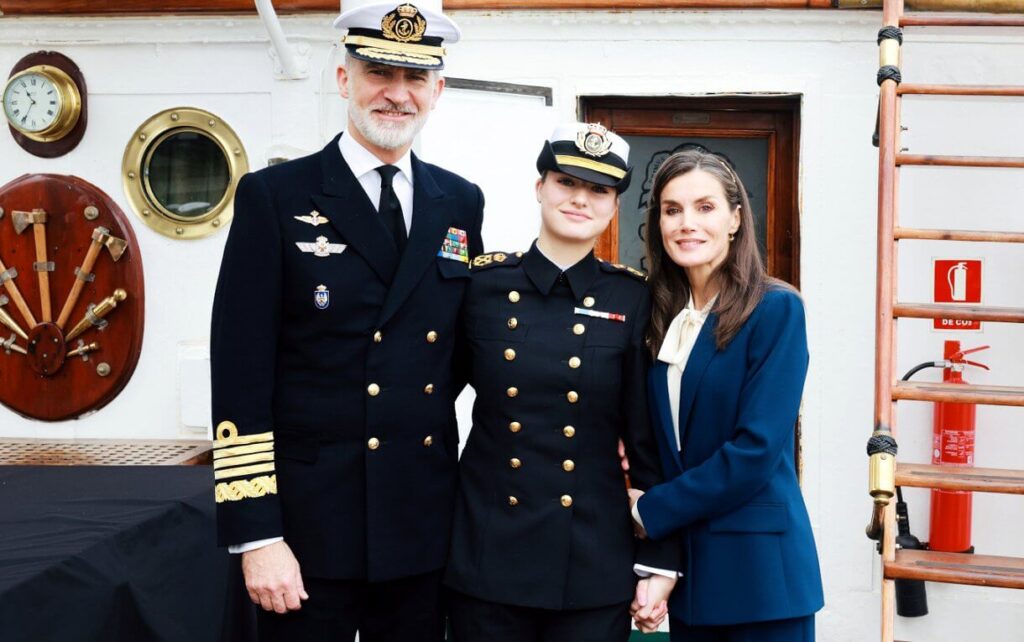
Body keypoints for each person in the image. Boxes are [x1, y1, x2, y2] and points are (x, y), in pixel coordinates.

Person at [209, 2, 484, 641]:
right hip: (306, 532)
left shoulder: (460, 201)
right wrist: (257, 533)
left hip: (420, 526)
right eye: (378, 73)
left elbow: (462, 353)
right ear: (343, 79)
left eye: (415, 79)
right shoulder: (274, 198)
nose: (396, 94)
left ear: (437, 91)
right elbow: (240, 374)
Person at [444, 122, 678, 642]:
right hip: (488, 552)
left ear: (615, 206)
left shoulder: (634, 299)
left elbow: (647, 440)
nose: (580, 199)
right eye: (565, 182)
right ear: (539, 188)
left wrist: (660, 557)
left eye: (598, 190)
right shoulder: (480, 286)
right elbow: (429, 405)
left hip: (591, 560)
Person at [627, 148, 824, 641]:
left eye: (705, 207)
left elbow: (754, 450)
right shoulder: (659, 314)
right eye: (672, 210)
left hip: (761, 579)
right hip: (695, 582)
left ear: (736, 218)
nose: (686, 223)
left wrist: (650, 510)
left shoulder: (776, 309)